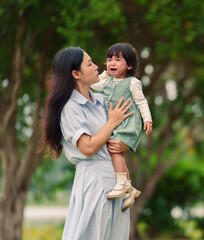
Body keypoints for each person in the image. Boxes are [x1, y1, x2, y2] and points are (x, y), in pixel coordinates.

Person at [41, 46, 133, 239]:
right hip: (94, 180)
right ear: (76, 74)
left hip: (117, 179)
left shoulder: (101, 100)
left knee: (116, 234)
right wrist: (112, 122)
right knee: (93, 234)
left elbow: (115, 137)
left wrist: (123, 145)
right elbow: (88, 147)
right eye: (90, 64)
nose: (97, 66)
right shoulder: (71, 108)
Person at [91, 43, 152, 210]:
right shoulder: (107, 82)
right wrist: (103, 74)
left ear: (129, 65)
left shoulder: (132, 83)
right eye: (109, 60)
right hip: (115, 123)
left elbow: (141, 102)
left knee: (114, 150)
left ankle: (122, 183)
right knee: (115, 152)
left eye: (118, 60)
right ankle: (129, 188)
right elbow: (93, 85)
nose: (112, 63)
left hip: (128, 122)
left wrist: (147, 119)